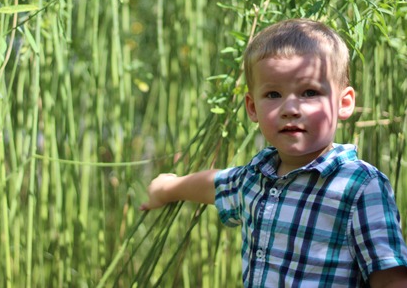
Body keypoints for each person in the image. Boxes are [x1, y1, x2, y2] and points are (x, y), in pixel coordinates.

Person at [140, 19, 407, 287]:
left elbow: (390, 279)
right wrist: (167, 188)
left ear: (344, 103)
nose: (290, 108)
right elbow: (214, 185)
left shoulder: (360, 186)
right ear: (252, 107)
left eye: (309, 92)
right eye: (273, 94)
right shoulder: (256, 177)